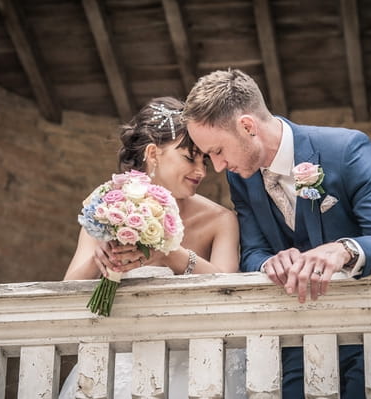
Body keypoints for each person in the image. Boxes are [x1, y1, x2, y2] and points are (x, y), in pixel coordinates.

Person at [181, 69, 371, 398]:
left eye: (218, 151)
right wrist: (269, 263)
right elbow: (251, 253)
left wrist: (344, 250)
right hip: (294, 338)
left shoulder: (345, 149)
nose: (218, 166)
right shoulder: (241, 176)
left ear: (248, 126)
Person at [60, 96, 242, 399]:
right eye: (189, 157)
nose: (201, 171)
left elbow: (229, 291)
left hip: (194, 365)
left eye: (204, 160)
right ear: (152, 153)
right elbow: (69, 288)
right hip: (117, 363)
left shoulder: (221, 220)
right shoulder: (109, 205)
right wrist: (100, 256)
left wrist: (173, 255)